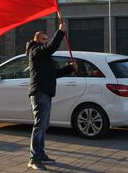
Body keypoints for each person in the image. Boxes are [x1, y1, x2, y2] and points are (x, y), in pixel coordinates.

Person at [26, 23, 77, 171]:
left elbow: (55, 74)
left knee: (44, 126)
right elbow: (50, 47)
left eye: (47, 39)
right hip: (39, 92)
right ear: (36, 40)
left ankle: (40, 154)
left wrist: (70, 68)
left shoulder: (45, 56)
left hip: (46, 92)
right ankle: (33, 158)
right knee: (39, 125)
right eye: (43, 39)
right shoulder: (35, 51)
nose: (46, 41)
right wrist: (60, 32)